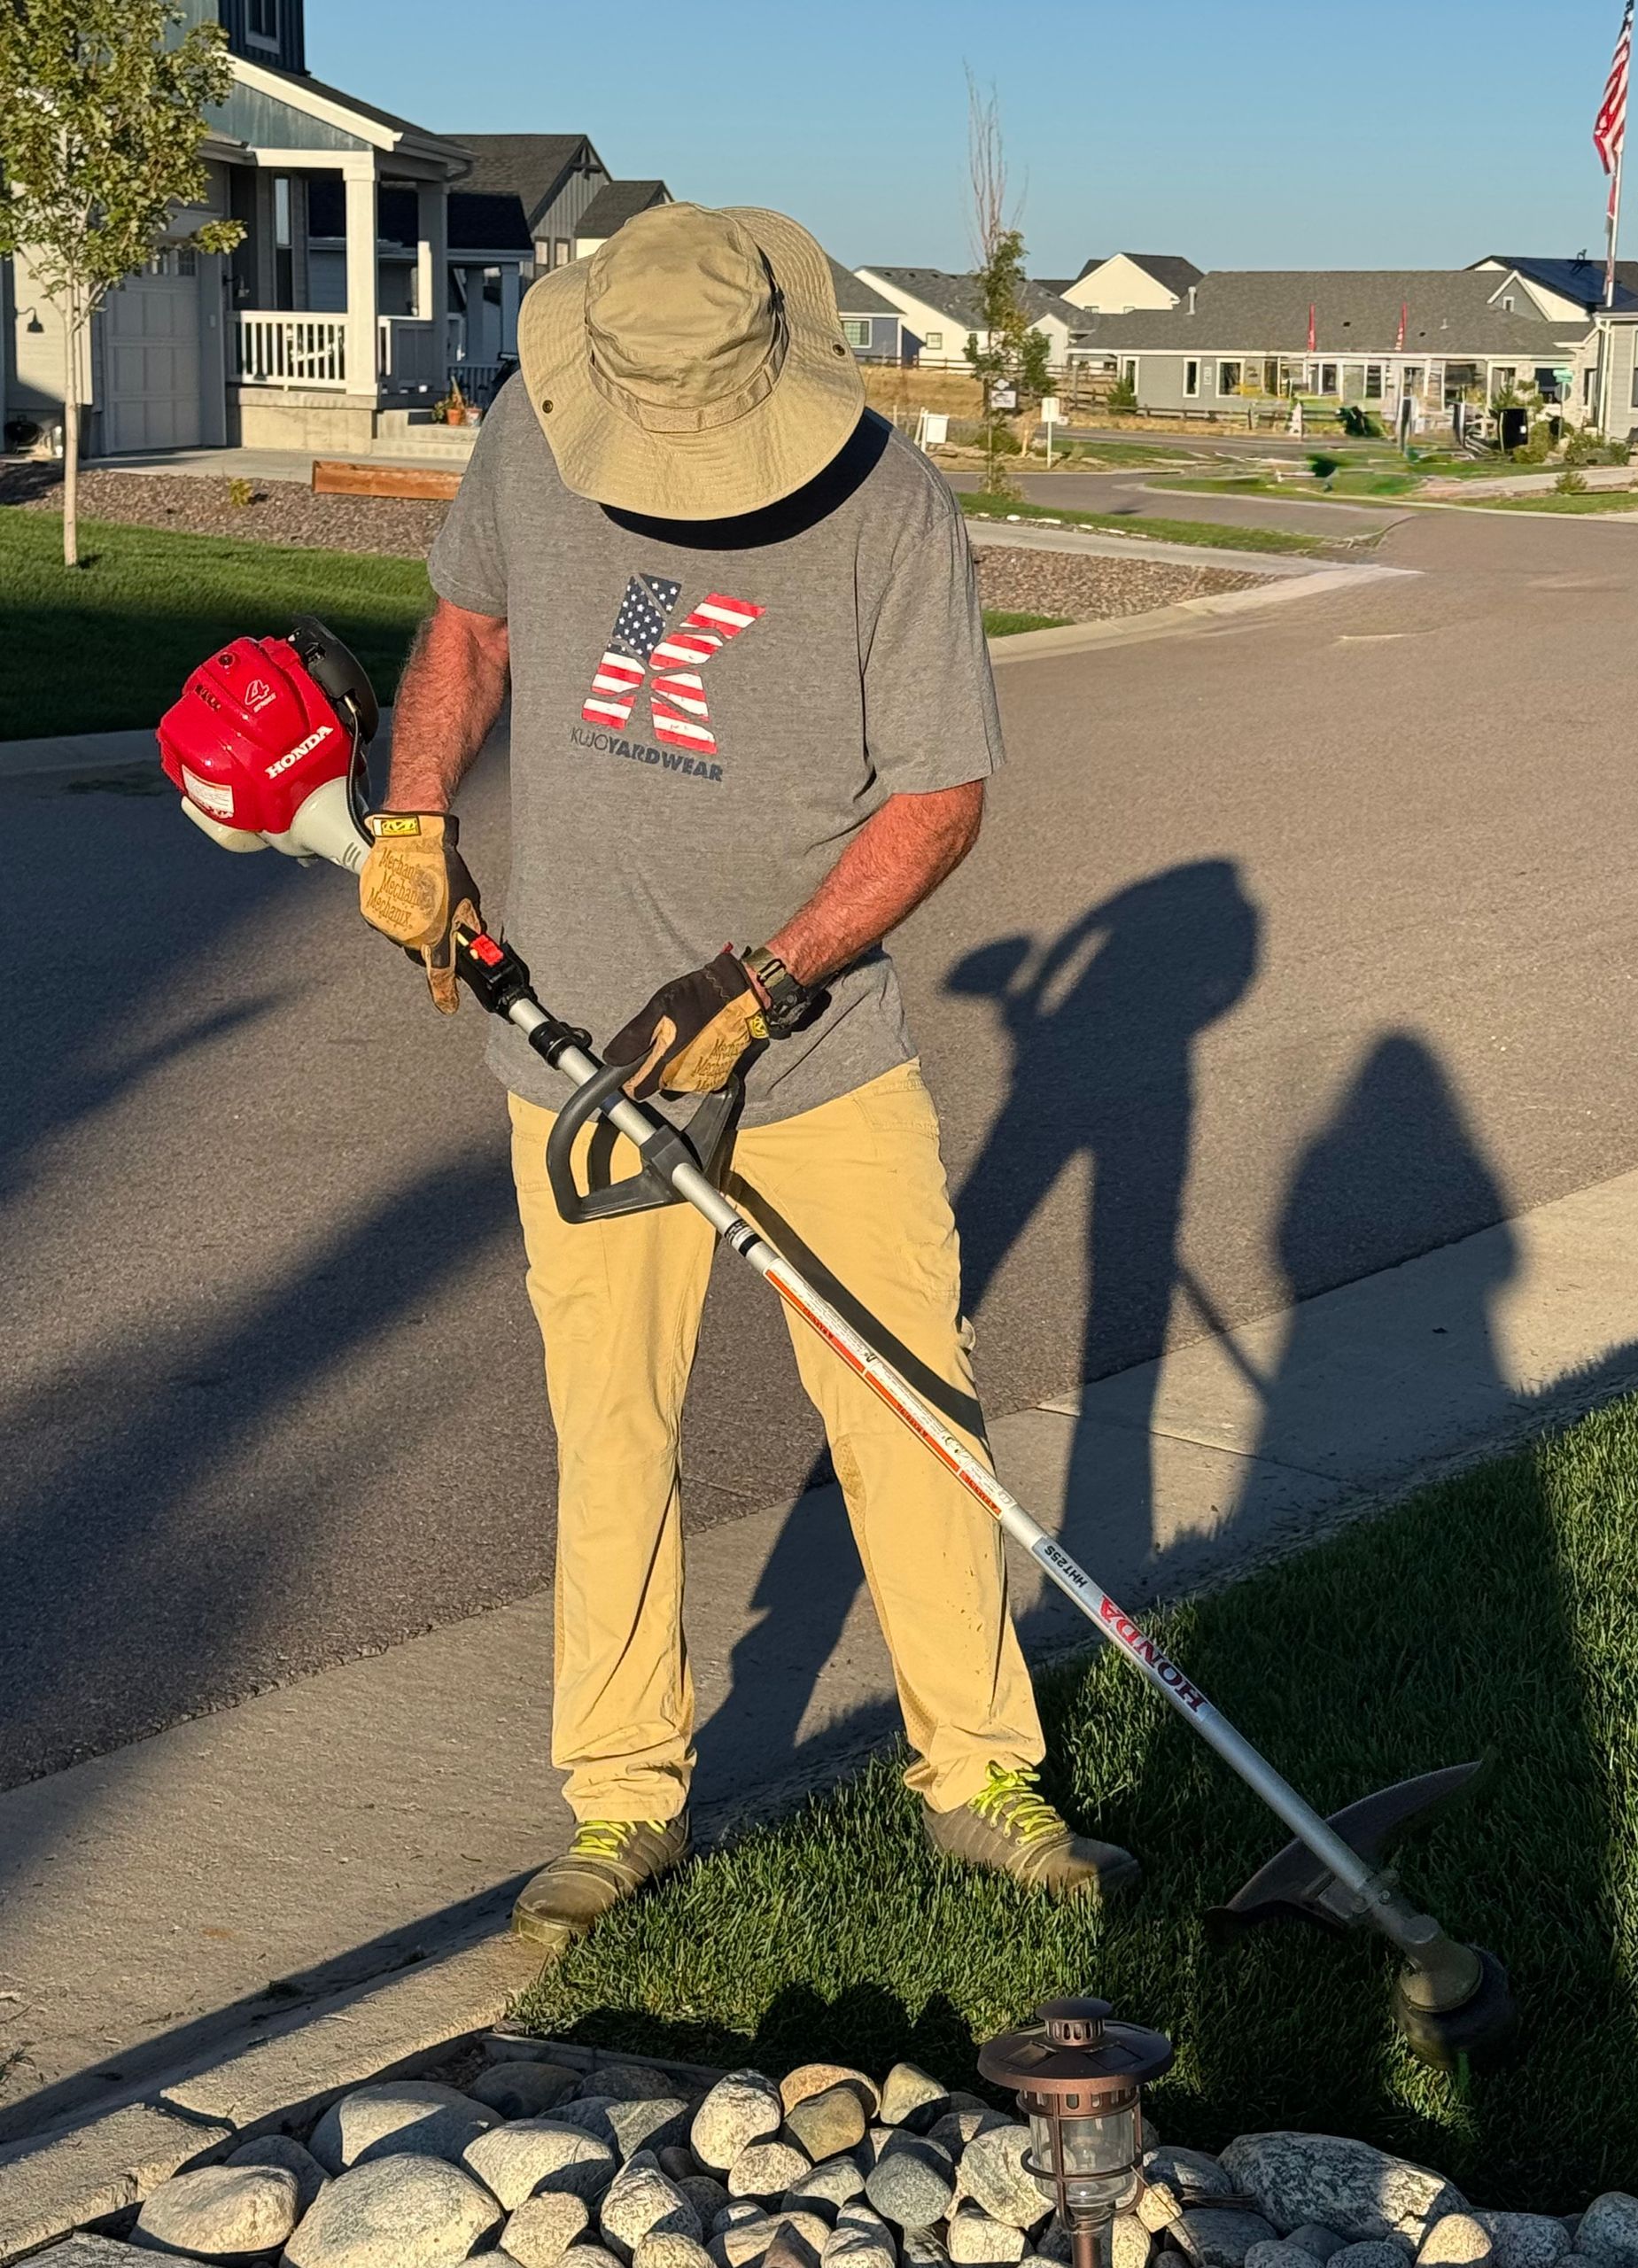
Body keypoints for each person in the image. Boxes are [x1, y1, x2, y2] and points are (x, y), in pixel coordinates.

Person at [357, 201, 1138, 1951]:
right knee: (609, 1423)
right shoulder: (528, 433)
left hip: (820, 1053)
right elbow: (470, 632)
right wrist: (417, 814)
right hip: (575, 1058)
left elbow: (937, 796)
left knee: (908, 1404)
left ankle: (977, 1772)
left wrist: (769, 982)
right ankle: (624, 1794)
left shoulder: (888, 506)